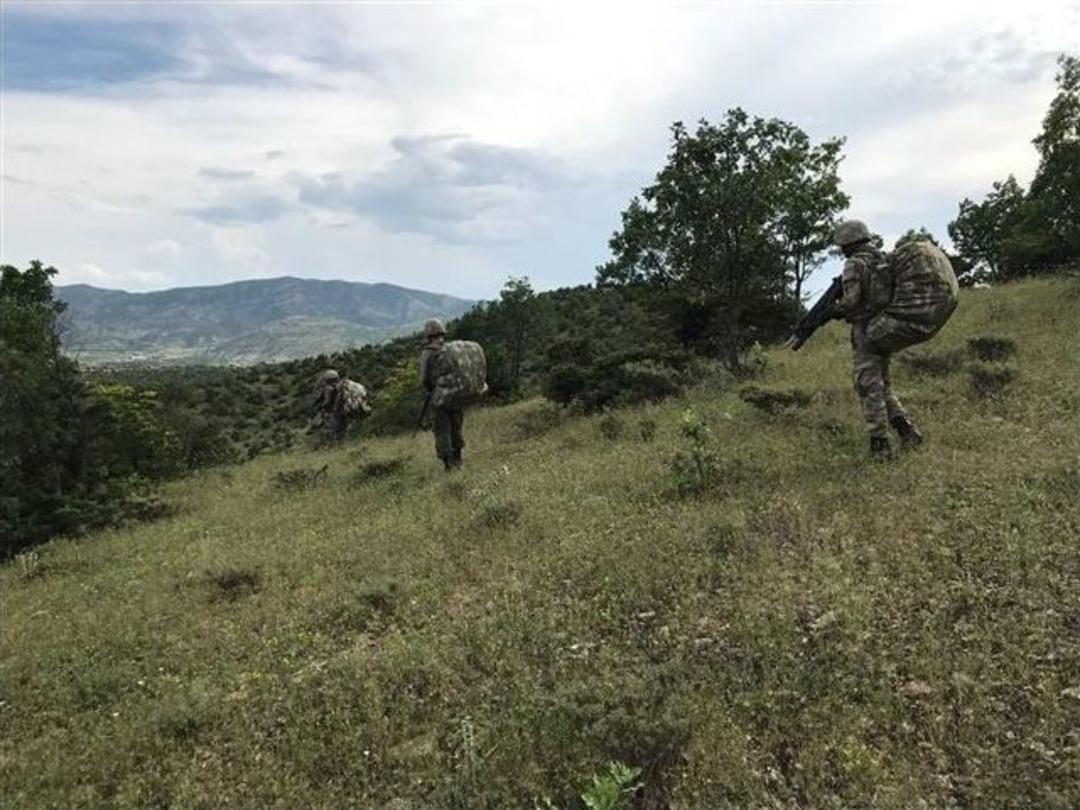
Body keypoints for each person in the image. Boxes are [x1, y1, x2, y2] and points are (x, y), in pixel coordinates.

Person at [832, 219, 959, 458]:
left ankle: (879, 444)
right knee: (883, 384)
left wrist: (834, 309)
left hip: (867, 331)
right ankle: (907, 430)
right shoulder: (883, 260)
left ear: (847, 243)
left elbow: (852, 302)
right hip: (886, 326)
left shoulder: (854, 264)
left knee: (868, 385)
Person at [419, 319, 466, 470]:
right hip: (456, 395)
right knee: (456, 427)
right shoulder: (452, 348)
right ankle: (458, 460)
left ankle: (448, 465)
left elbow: (424, 378)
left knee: (441, 430)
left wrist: (430, 390)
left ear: (428, 334)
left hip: (439, 397)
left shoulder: (428, 352)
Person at [312, 368, 347, 442]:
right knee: (342, 431)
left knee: (331, 432)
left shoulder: (328, 388)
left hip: (333, 413)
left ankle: (332, 447)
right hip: (343, 412)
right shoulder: (341, 386)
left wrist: (321, 407)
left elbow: (327, 402)